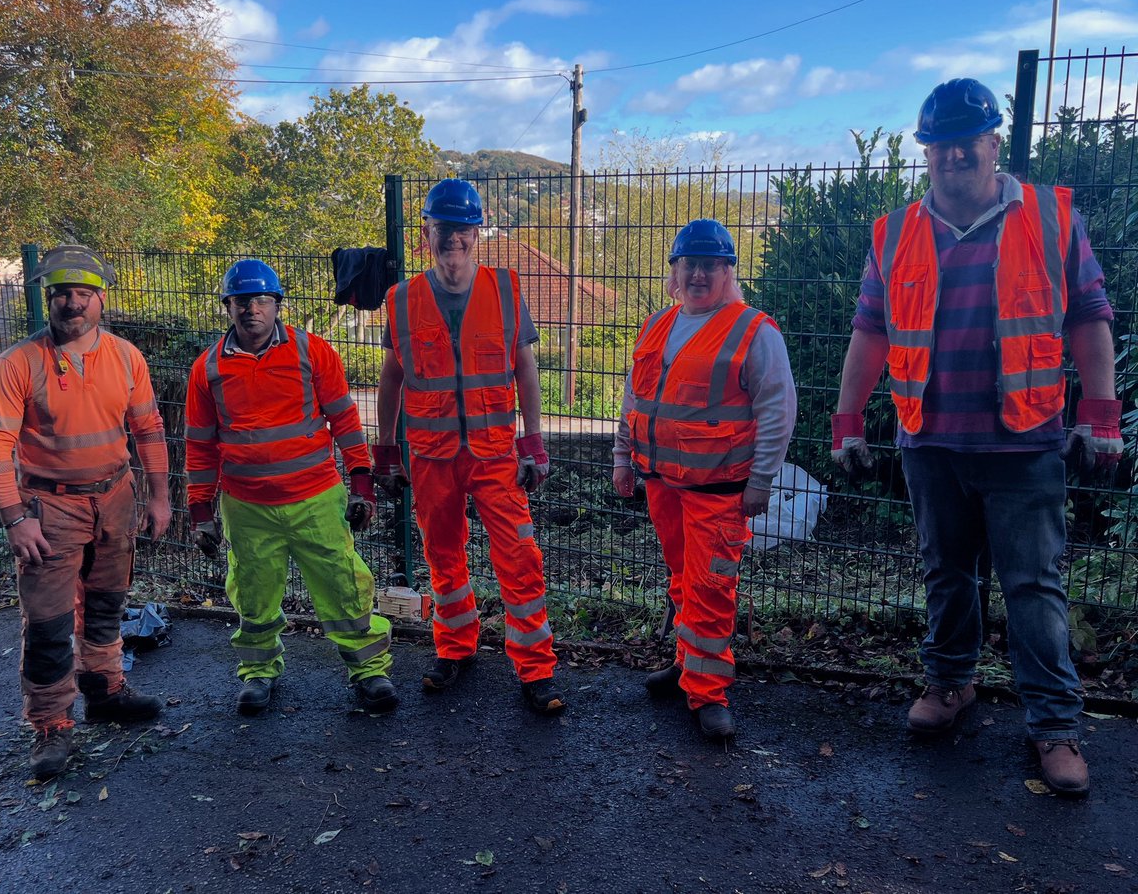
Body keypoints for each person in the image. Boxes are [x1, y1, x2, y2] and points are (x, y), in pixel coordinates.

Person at [831, 78, 1119, 798]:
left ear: (994, 142)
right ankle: (952, 686)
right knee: (947, 574)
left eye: (968, 142)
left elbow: (1088, 317)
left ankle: (1055, 728)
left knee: (1033, 586)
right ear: (926, 151)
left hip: (1024, 443)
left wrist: (1103, 413)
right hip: (930, 441)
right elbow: (871, 332)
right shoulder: (895, 232)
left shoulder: (1050, 219)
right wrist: (846, 418)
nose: (954, 156)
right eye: (940, 145)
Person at [0, 244, 171, 781]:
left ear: (100, 299)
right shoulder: (17, 365)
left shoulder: (126, 357)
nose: (73, 304)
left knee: (108, 604)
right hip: (49, 506)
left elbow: (149, 429)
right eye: (62, 294)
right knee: (49, 623)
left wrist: (159, 497)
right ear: (48, 298)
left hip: (115, 497)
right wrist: (16, 518)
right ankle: (52, 724)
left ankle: (105, 691)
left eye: (83, 294)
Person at [375, 178, 565, 715]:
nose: (453, 239)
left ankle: (536, 669)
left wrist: (534, 443)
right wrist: (385, 451)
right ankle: (455, 648)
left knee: (520, 558)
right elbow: (391, 379)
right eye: (443, 229)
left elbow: (525, 369)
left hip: (497, 453)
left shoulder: (506, 289)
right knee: (442, 555)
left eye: (463, 229)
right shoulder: (402, 299)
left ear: (477, 233)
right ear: (426, 234)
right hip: (432, 456)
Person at [185, 260, 396, 717]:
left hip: (316, 498)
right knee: (254, 593)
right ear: (228, 307)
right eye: (241, 301)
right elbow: (200, 447)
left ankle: (369, 671)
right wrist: (200, 511)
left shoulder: (312, 352)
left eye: (261, 300)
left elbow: (344, 418)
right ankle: (259, 674)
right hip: (247, 508)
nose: (251, 310)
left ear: (277, 305)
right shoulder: (208, 369)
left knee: (344, 586)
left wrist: (362, 482)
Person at [612, 219, 796, 741]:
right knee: (682, 580)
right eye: (688, 264)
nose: (697, 274)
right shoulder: (658, 325)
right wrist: (622, 457)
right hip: (663, 484)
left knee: (711, 586)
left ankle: (708, 694)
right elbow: (634, 400)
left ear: (727, 272)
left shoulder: (754, 330)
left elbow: (778, 409)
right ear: (674, 272)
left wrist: (761, 480)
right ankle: (686, 664)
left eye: (710, 265)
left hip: (720, 491)